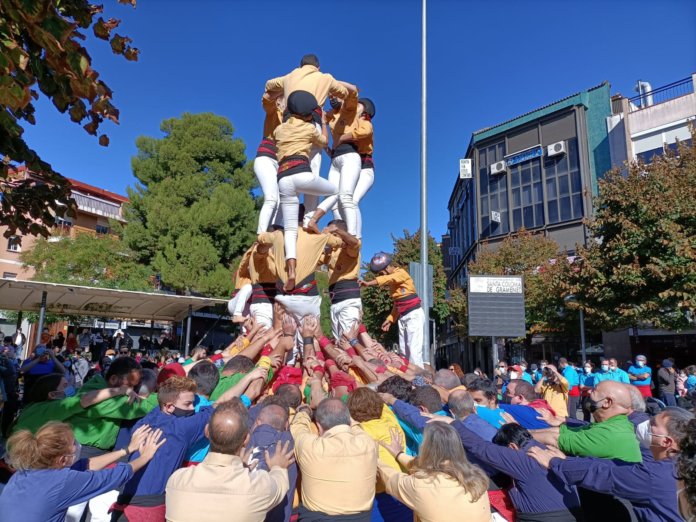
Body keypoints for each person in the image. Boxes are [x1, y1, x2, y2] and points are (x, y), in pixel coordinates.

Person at [111, 372, 266, 520]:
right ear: (169, 406)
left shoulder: (148, 418)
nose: (193, 408)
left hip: (122, 502)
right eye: (188, 404)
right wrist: (250, 378)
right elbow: (222, 405)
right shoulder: (182, 429)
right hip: (147, 510)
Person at [530, 407, 694, 522]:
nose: (645, 424)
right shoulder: (679, 465)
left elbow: (603, 475)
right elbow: (616, 466)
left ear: (666, 442)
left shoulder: (655, 475)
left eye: (653, 424)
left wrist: (555, 463)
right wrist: (568, 461)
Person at [0, 421, 165, 522]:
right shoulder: (62, 481)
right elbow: (112, 477)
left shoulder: (24, 473)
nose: (78, 445)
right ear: (62, 460)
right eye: (73, 443)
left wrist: (126, 450)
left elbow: (84, 465)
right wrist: (145, 457)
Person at [166, 401, 294, 521]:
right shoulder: (259, 487)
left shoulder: (176, 480)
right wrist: (278, 467)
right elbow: (280, 485)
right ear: (246, 439)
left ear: (207, 431)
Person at [264, 53, 355, 224]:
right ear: (318, 66)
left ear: (300, 66)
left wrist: (283, 89)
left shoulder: (289, 76)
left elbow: (269, 84)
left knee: (286, 169)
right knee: (311, 171)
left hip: (288, 126)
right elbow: (344, 93)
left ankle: (280, 223)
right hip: (311, 123)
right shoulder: (325, 77)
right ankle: (308, 219)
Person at [271, 90, 336, 291]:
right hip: (302, 173)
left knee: (290, 229)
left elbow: (276, 141)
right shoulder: (309, 129)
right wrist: (324, 123)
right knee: (336, 191)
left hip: (283, 178)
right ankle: (313, 218)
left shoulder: (279, 130)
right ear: (308, 114)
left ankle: (291, 270)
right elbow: (324, 142)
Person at [378, 422, 492, 522]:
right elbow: (430, 466)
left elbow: (390, 478)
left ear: (426, 448)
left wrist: (372, 455)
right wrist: (399, 455)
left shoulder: (421, 486)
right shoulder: (477, 477)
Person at [290, 398, 377, 520]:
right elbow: (357, 429)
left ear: (318, 427)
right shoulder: (368, 444)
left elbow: (297, 429)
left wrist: (304, 412)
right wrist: (346, 417)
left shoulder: (309, 448)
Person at [360, 252, 425, 367]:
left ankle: (420, 380)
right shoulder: (393, 285)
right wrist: (390, 319)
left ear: (387, 267)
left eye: (381, 273)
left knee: (414, 353)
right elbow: (397, 303)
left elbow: (388, 278)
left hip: (413, 315)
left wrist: (369, 283)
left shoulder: (400, 273)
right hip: (403, 316)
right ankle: (408, 377)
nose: (381, 275)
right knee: (404, 352)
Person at [318, 219, 362, 340]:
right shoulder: (331, 251)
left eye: (334, 234)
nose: (332, 237)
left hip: (348, 299)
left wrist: (337, 230)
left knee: (349, 339)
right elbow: (316, 261)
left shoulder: (349, 248)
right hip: (335, 301)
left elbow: (356, 243)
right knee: (339, 343)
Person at [255, 91, 284, 234]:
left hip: (279, 162)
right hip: (266, 157)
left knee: (282, 202)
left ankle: (273, 234)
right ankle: (261, 236)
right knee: (272, 198)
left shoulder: (291, 119)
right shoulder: (273, 111)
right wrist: (281, 89)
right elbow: (266, 100)